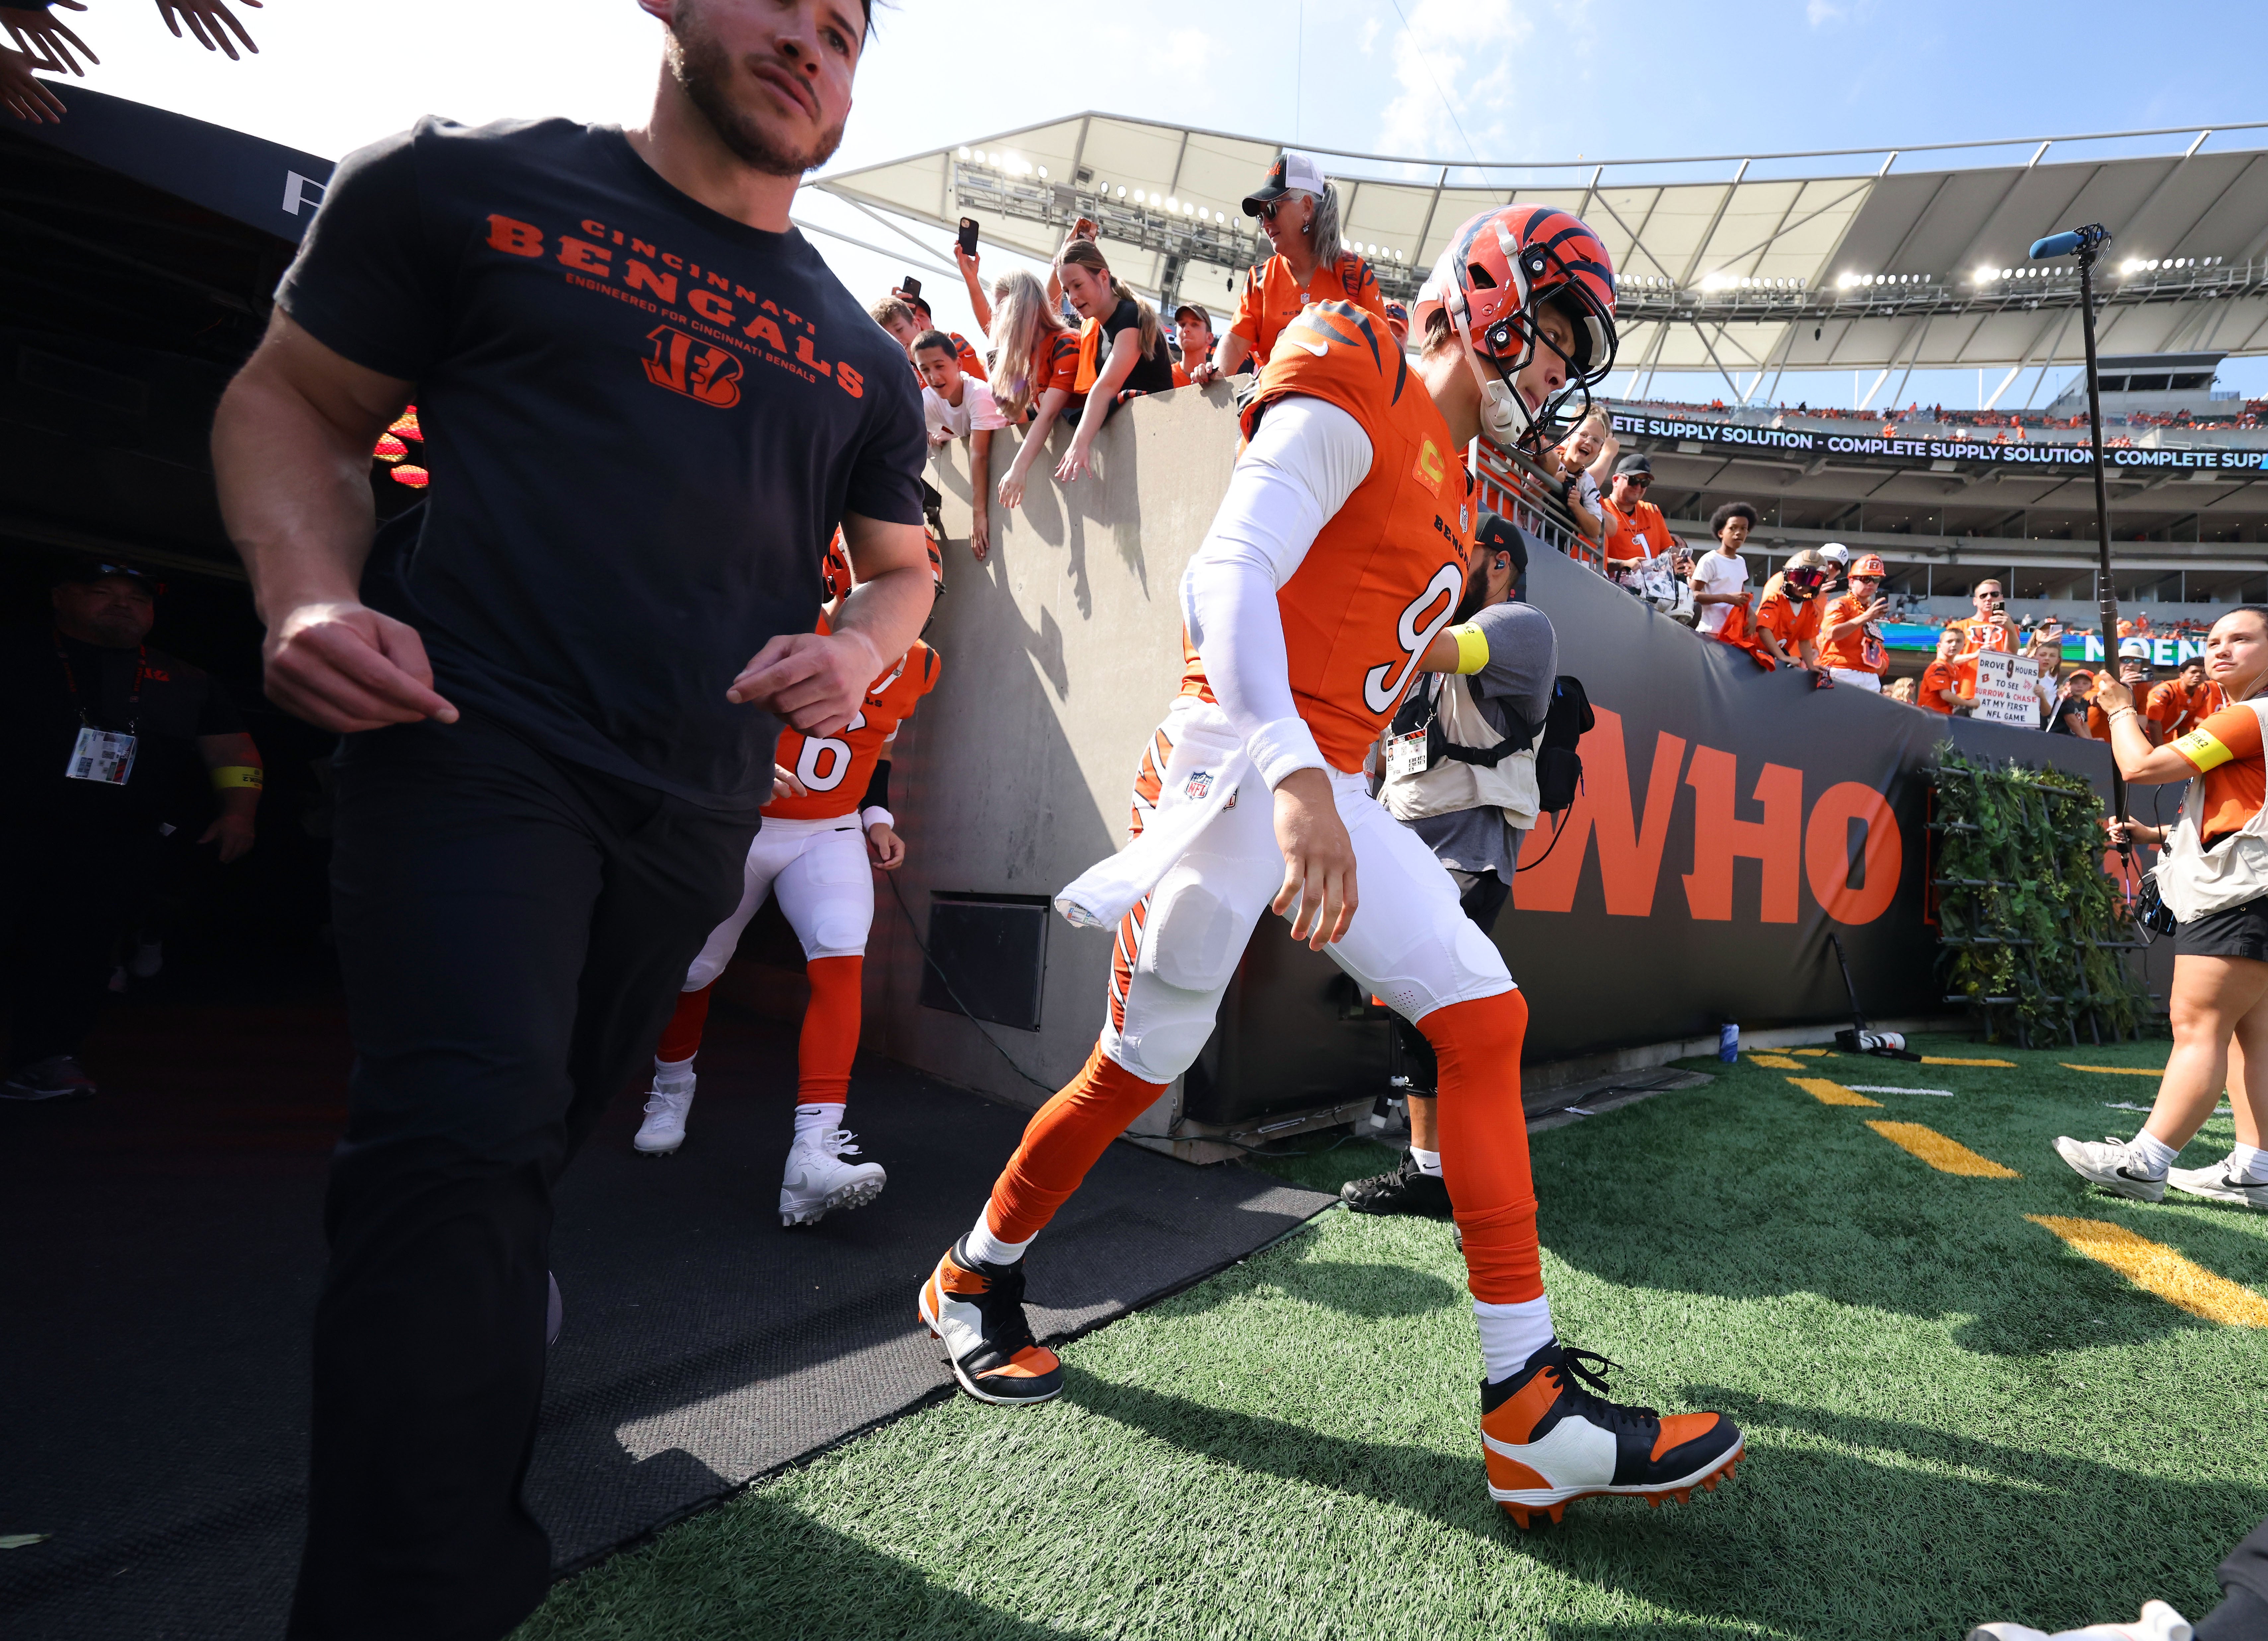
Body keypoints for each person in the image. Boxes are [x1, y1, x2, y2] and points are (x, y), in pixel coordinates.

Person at [206, 2, 935, 1633]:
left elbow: (903, 566)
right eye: (783, 3)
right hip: (466, 739)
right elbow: (295, 401)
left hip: (689, 806)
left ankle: (477, 1291)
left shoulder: (863, 355)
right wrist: (306, 590)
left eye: (847, 24)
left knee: (520, 1148)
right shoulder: (458, 187)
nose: (814, 43)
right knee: (453, 1145)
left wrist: (854, 646)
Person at [917, 202, 1741, 1528]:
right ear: (1489, 303)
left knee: (1480, 1016)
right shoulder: (1354, 352)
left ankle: (1525, 1404)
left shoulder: (1458, 483)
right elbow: (1224, 575)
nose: (1553, 379)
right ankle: (969, 1274)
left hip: (1327, 777)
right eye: (1550, 344)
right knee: (1136, 1070)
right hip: (1231, 769)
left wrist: (1359, 737)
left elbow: (1365, 639)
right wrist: (1297, 772)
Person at [634, 584, 940, 1228]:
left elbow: (877, 748)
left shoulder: (920, 662)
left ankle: (814, 1152)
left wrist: (877, 815)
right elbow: (690, 700)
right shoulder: (780, 622)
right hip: (739, 820)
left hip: (828, 828)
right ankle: (671, 1087)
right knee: (696, 969)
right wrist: (734, 763)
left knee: (840, 946)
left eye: (925, 581)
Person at [1343, 514, 1552, 1218]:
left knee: (1458, 1017)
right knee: (1414, 1018)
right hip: (1402, 852)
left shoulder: (1519, 625)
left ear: (1498, 562)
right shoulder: (1425, 660)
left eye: (1456, 553)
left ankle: (1484, 1184)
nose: (1442, 565)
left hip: (1466, 852)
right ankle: (1431, 1173)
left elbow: (1431, 650)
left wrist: (1354, 602)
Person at [0, 559, 263, 1101]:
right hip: (15, 827)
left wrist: (239, 811)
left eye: (138, 598)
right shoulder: (17, 653)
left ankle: (44, 1058)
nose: (123, 604)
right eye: (104, 591)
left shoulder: (186, 678)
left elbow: (233, 748)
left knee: (77, 952)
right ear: (62, 596)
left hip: (111, 842)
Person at [2054, 605, 2268, 1215]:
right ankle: (2253, 1167)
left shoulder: (2249, 715)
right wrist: (2154, 834)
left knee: (2197, 1024)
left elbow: (2140, 765)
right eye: (2214, 640)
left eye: (2240, 639)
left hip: (2238, 899)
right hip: (2254, 895)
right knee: (2248, 1036)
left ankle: (2143, 1161)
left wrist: (2121, 705)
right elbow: (2238, 813)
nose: (2221, 649)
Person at [1189, 149, 1389, 386]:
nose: (1265, 223)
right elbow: (1234, 340)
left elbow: (1384, 354)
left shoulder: (1353, 273)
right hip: (1274, 402)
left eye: (1272, 209)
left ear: (1306, 207)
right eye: (1260, 216)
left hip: (1340, 405)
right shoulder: (1260, 279)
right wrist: (1218, 372)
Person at [1052, 237, 1175, 485]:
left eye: (1078, 285)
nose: (1073, 298)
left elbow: (1107, 387)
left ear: (1103, 278)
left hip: (1159, 438)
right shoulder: (1095, 329)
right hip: (1131, 445)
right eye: (1067, 291)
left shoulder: (1131, 315)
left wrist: (1079, 444)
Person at [984, 267, 1079, 512]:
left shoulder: (1065, 343)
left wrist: (1018, 469)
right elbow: (1024, 415)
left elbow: (1048, 414)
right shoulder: (1028, 363)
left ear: (1021, 305)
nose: (998, 318)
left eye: (1002, 308)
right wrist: (1001, 396)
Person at [915, 330, 1004, 560]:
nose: (933, 377)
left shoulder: (979, 394)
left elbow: (980, 455)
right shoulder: (929, 399)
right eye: (925, 370)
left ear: (959, 364)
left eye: (940, 366)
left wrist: (979, 517)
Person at [1598, 453, 1687, 589]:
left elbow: (1667, 548)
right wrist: (1624, 564)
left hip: (1654, 587)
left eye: (1645, 483)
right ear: (1616, 480)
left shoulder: (1652, 510)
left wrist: (1676, 558)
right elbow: (1593, 556)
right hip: (1616, 587)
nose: (1639, 487)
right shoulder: (1602, 509)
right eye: (1633, 481)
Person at [1816, 553, 1891, 690]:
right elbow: (1831, 634)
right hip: (1842, 670)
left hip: (1870, 675)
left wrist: (1882, 663)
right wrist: (1866, 617)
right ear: (1851, 582)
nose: (1871, 583)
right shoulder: (1840, 604)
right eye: (1865, 579)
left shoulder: (1871, 610)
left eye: (1876, 579)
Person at [1751, 548, 1831, 671]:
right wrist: (1782, 657)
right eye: (1797, 577)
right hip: (1753, 655)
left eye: (1810, 580)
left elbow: (1805, 640)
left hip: (1774, 658)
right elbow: (1764, 630)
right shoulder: (1776, 599)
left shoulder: (1809, 607)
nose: (1800, 585)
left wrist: (1811, 666)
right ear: (1787, 575)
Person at [890, 281, 986, 380]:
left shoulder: (953, 341)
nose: (916, 319)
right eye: (910, 316)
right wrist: (890, 317)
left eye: (922, 316)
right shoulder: (899, 372)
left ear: (933, 328)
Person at [1689, 503, 1755, 642]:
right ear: (1721, 533)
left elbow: (1741, 594)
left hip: (1732, 631)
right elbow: (1693, 594)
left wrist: (1752, 616)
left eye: (1744, 529)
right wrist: (1726, 598)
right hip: (1709, 631)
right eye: (1733, 528)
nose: (1739, 533)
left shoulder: (1741, 562)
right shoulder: (1710, 560)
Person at [1543, 408, 1610, 544]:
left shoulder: (1587, 482)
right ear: (1571, 434)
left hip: (1556, 552)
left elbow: (1595, 529)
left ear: (1600, 451)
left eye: (1596, 440)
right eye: (1584, 435)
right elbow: (1525, 496)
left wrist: (1577, 507)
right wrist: (1550, 484)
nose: (1589, 442)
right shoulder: (1548, 457)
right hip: (1525, 535)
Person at [1943, 579, 2018, 696]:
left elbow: (2012, 654)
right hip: (1963, 694)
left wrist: (2011, 629)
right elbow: (1945, 660)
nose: (1989, 599)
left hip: (1996, 696)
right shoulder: (1958, 627)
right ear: (1975, 601)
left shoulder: (2009, 626)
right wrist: (1976, 655)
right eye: (1983, 596)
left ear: (2001, 598)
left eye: (1995, 594)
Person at [2150, 654, 2224, 743]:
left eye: (2203, 672)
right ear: (2182, 675)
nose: (2198, 675)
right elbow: (2153, 723)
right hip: (2147, 739)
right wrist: (2158, 750)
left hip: (2167, 740)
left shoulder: (2201, 696)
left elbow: (2185, 727)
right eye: (2193, 672)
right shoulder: (2167, 691)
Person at [2087, 657, 2153, 741]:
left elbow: (2141, 717)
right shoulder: (2100, 679)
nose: (2131, 664)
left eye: (2137, 661)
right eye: (2126, 661)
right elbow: (2093, 702)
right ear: (2116, 663)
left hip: (2119, 741)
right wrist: (2120, 684)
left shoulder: (2142, 687)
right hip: (2092, 738)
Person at [1170, 302, 1214, 387]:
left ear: (1209, 338)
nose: (1186, 329)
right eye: (1182, 325)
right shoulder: (1164, 376)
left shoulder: (1216, 380)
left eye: (1195, 324)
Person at [2047, 668, 2094, 737]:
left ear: (2091, 687)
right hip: (2056, 737)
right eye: (2076, 683)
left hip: (2070, 739)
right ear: (2068, 685)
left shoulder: (2084, 702)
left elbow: (2084, 724)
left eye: (2085, 684)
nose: (2080, 686)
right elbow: (2072, 721)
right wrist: (2086, 739)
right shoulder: (2066, 701)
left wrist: (2091, 741)